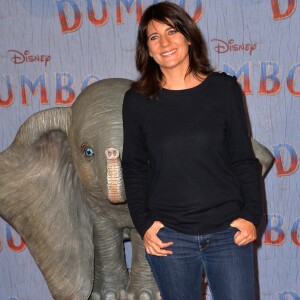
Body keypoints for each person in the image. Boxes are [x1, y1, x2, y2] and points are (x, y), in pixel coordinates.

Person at [122, 2, 262, 300]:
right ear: (146, 49)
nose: (165, 42)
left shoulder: (224, 90)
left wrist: (252, 215)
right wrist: (144, 224)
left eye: (172, 31)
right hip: (169, 238)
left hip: (228, 234)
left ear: (188, 36)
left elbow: (243, 158)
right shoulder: (137, 101)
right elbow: (133, 166)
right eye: (154, 37)